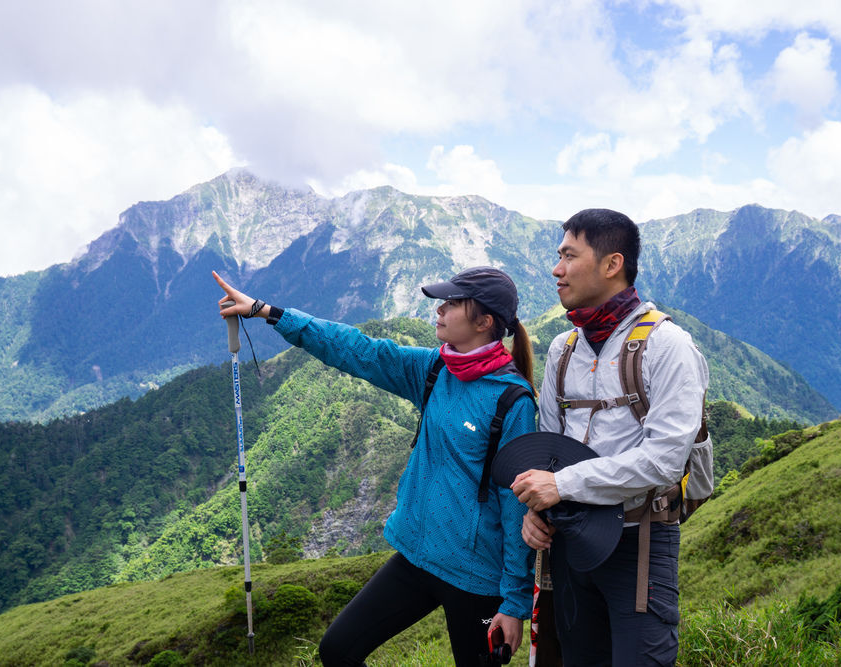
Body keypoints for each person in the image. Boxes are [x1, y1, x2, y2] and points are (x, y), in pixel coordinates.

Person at [212, 266, 537, 667]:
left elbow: (517, 507)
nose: (439, 310)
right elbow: (357, 349)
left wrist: (515, 603)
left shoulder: (512, 402)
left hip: (477, 581)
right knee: (338, 650)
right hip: (417, 557)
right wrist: (267, 311)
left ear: (484, 322)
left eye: (453, 304)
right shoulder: (435, 370)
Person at [511, 209, 710, 666]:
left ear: (611, 264)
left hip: (638, 542)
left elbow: (663, 461)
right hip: (569, 543)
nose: (556, 270)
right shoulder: (564, 349)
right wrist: (535, 509)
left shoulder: (668, 345)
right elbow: (548, 446)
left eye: (568, 256)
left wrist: (561, 487)